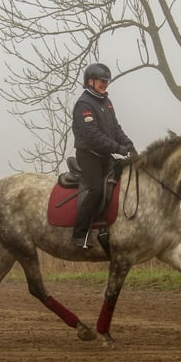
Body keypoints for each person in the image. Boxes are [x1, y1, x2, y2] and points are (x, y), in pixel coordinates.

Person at [71, 62, 136, 248]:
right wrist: (118, 148)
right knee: (96, 190)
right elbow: (93, 136)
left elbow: (115, 129)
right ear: (90, 81)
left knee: (124, 180)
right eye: (101, 81)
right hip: (89, 155)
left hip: (104, 155)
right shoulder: (83, 104)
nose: (105, 85)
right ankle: (80, 234)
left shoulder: (106, 102)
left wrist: (128, 143)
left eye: (106, 82)